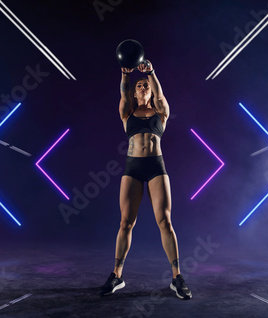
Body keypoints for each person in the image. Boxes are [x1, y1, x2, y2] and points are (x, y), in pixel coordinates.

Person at [98, 59, 192, 299]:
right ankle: (117, 275)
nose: (143, 87)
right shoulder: (127, 112)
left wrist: (151, 72)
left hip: (156, 167)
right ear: (134, 91)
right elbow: (123, 92)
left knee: (165, 222)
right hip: (133, 168)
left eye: (146, 85)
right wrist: (125, 76)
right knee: (125, 223)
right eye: (139, 85)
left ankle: (177, 277)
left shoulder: (161, 112)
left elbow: (159, 94)